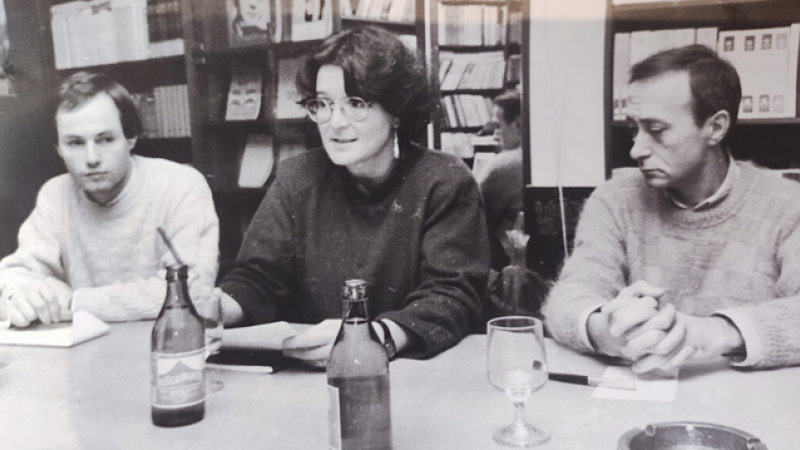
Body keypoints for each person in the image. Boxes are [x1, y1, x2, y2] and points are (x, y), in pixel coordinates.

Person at [218, 26, 489, 363]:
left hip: (412, 370)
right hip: (315, 372)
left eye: (355, 103)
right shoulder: (296, 177)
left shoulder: (444, 180)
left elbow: (452, 295)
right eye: (324, 104)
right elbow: (258, 279)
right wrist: (215, 308)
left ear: (396, 111)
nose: (335, 123)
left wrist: (371, 338)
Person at [543, 45, 800, 373]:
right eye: (634, 128)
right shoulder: (614, 199)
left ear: (715, 128)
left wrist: (716, 332)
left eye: (657, 130)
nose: (636, 149)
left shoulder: (789, 205)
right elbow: (570, 295)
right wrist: (602, 328)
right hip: (642, 398)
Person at [0, 72, 219, 327]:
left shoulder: (181, 186)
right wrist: (24, 294)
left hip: (165, 345)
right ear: (58, 148)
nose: (92, 158)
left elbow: (193, 289)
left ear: (131, 137)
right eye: (75, 143)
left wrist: (75, 302)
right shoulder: (55, 194)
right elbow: (14, 273)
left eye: (105, 139)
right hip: (82, 350)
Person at [475, 90, 524, 271]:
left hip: (507, 266)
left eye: (498, 126)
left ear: (518, 125)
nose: (495, 135)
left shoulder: (503, 165)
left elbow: (470, 212)